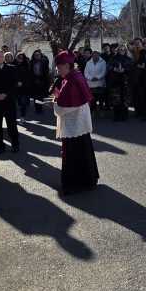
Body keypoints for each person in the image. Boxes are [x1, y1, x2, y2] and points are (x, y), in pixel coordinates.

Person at [50, 51, 99, 195]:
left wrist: (55, 102)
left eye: (59, 68)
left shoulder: (72, 80)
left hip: (74, 123)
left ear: (67, 65)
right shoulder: (74, 76)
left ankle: (74, 184)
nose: (58, 71)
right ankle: (89, 180)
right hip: (79, 122)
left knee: (74, 155)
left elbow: (66, 106)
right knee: (84, 151)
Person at [107, 45, 131, 120]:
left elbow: (131, 68)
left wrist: (124, 69)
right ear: (118, 50)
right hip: (115, 81)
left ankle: (124, 115)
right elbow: (108, 66)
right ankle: (117, 115)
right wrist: (114, 69)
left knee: (125, 99)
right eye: (120, 49)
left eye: (123, 49)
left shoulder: (128, 59)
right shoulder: (113, 58)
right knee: (116, 98)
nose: (122, 51)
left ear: (125, 50)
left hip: (125, 81)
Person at [84, 49, 108, 113]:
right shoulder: (88, 62)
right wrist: (91, 78)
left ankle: (101, 111)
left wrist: (97, 77)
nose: (95, 55)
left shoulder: (103, 62)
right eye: (94, 54)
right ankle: (92, 111)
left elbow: (104, 72)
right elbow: (86, 73)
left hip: (100, 84)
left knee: (101, 99)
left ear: (99, 55)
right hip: (90, 84)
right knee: (92, 100)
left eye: (97, 54)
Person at [30, 49, 52, 114]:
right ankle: (37, 108)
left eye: (38, 55)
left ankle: (40, 108)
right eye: (35, 55)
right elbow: (30, 72)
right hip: (34, 80)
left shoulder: (44, 62)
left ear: (40, 55)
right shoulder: (31, 62)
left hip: (42, 80)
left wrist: (46, 81)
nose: (37, 56)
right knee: (35, 96)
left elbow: (46, 71)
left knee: (40, 96)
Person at [13, 52, 33, 118]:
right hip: (14, 87)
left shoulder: (26, 65)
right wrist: (16, 82)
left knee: (23, 103)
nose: (20, 59)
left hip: (24, 87)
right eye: (19, 57)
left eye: (22, 58)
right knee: (15, 103)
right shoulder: (13, 65)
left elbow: (28, 76)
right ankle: (14, 117)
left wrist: (23, 82)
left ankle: (22, 116)